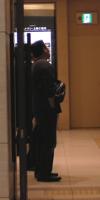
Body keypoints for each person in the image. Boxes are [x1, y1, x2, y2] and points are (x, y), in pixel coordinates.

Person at [30, 40, 61, 182]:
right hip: (47, 109)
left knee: (41, 140)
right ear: (43, 50)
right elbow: (49, 90)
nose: (48, 50)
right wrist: (53, 107)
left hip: (38, 107)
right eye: (46, 48)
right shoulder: (46, 66)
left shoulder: (35, 65)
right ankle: (44, 173)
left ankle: (40, 170)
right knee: (49, 141)